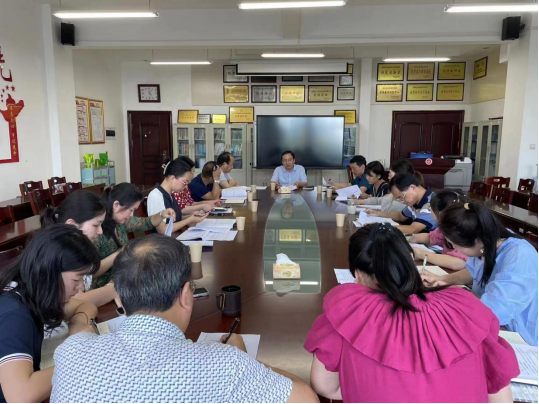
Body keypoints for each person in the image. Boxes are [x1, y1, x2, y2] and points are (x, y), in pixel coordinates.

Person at [51, 235, 319, 403]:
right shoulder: (225, 366)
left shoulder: (70, 354)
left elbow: (81, 332)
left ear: (118, 299)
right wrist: (246, 359)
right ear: (186, 295)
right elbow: (307, 399)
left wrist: (82, 318)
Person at [304, 223, 519, 403]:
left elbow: (325, 387)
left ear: (358, 275)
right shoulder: (467, 307)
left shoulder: (347, 313)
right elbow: (500, 395)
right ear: (409, 259)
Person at [0, 225, 100, 404]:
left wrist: (78, 326)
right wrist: (79, 358)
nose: (80, 288)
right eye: (76, 279)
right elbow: (20, 396)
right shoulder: (15, 314)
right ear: (49, 272)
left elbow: (85, 306)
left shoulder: (29, 291)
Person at [422, 202, 539, 346]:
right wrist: (442, 279)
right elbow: (473, 272)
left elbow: (495, 311)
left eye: (455, 245)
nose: (455, 249)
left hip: (520, 335)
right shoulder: (489, 240)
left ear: (479, 242)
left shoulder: (519, 256)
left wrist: (453, 294)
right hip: (490, 321)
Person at [41, 190, 118, 309]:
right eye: (96, 225)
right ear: (72, 224)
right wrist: (117, 286)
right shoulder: (61, 252)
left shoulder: (75, 247)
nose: (100, 231)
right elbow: (77, 301)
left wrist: (118, 254)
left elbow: (91, 271)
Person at [92, 183, 176, 288]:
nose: (131, 215)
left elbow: (146, 223)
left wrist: (162, 214)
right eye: (131, 210)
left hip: (123, 279)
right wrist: (121, 253)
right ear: (116, 205)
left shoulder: (120, 222)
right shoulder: (96, 231)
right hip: (104, 287)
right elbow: (92, 271)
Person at [408, 190, 468, 271]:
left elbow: (458, 263)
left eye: (431, 209)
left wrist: (421, 254)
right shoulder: (445, 226)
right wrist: (410, 237)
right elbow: (431, 238)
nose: (430, 212)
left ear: (440, 213)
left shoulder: (464, 230)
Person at [147, 158, 209, 234]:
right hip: (162, 240)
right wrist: (189, 219)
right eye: (185, 182)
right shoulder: (156, 195)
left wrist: (192, 216)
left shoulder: (170, 194)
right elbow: (162, 230)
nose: (185, 187)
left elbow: (175, 219)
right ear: (172, 178)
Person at [367, 174, 437, 234]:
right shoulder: (415, 202)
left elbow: (413, 229)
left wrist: (380, 227)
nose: (402, 202)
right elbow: (400, 216)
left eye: (401, 197)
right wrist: (378, 213)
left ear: (412, 187)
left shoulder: (432, 202)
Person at [356, 159, 421, 212]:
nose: (388, 176)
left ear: (399, 176)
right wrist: (362, 202)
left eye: (390, 173)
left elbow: (386, 208)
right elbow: (379, 200)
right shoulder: (400, 191)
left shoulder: (405, 195)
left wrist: (390, 195)